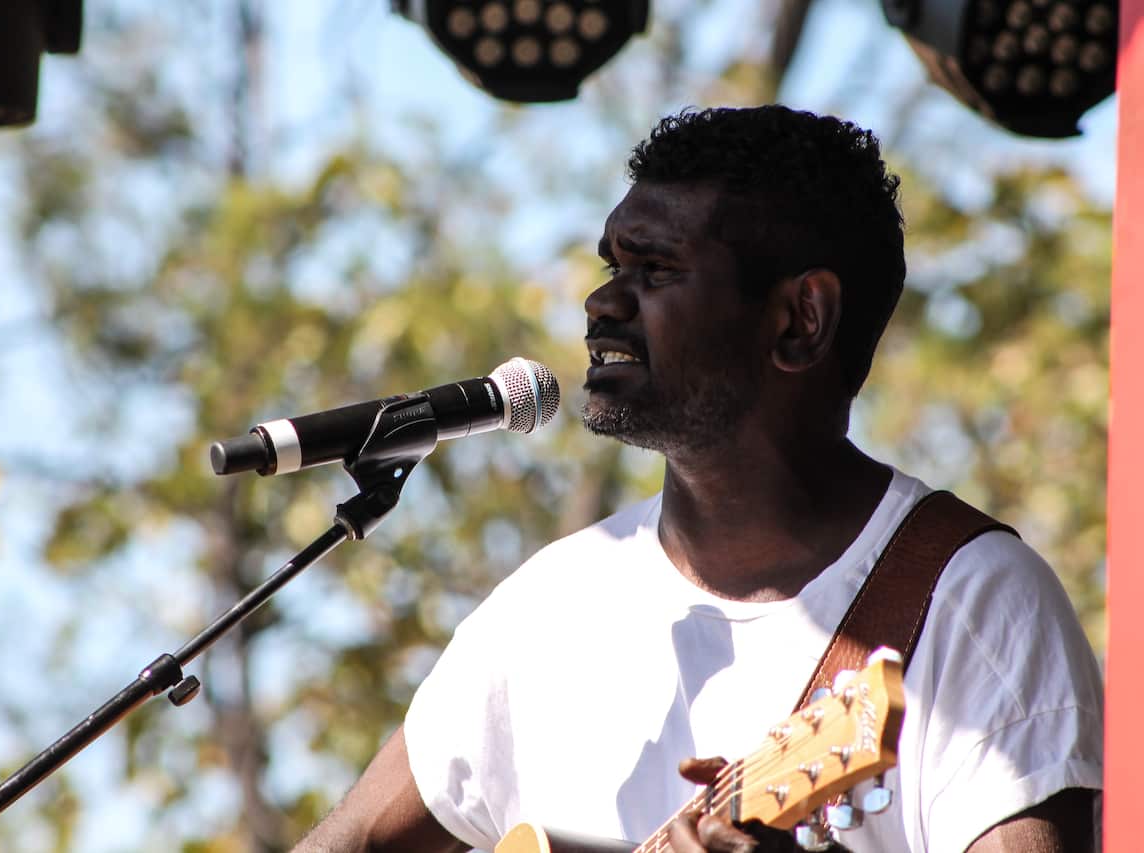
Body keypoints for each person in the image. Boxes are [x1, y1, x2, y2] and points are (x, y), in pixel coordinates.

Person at [289, 106, 1103, 852]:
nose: (602, 301)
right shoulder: (551, 604)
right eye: (611, 264)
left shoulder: (972, 602)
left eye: (654, 270)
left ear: (800, 319)